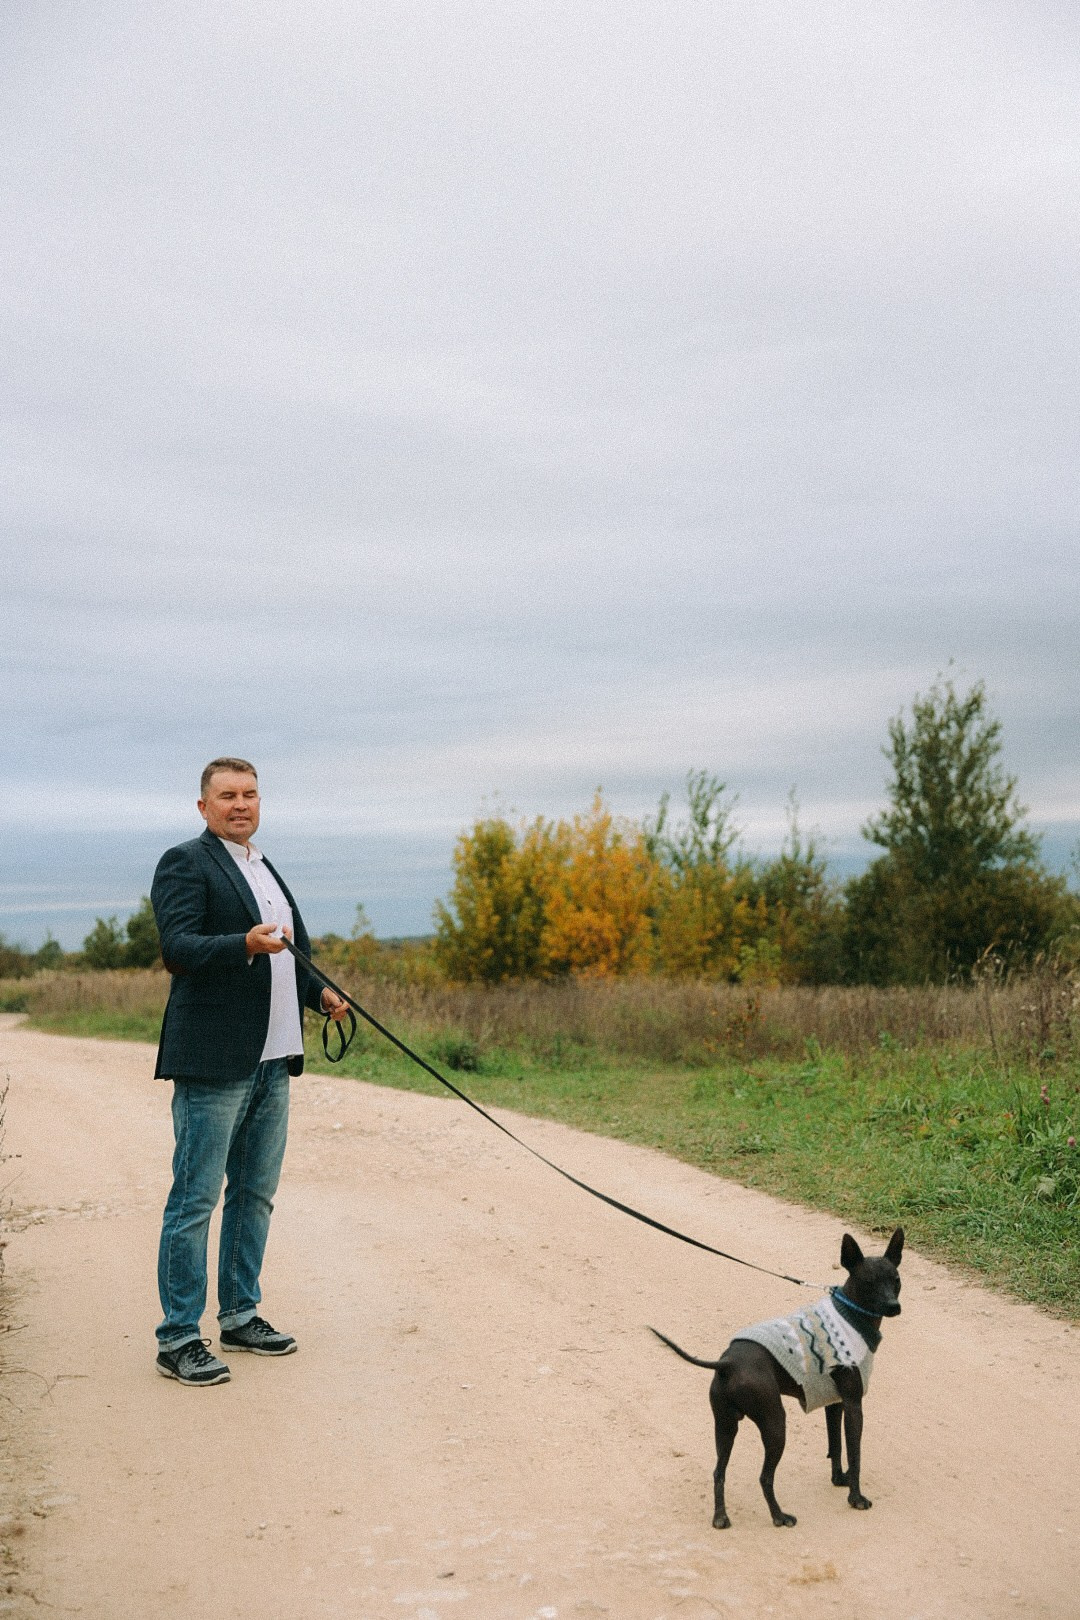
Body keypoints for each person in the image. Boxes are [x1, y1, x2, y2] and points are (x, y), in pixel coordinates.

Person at [150, 757, 349, 1387]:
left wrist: (320, 993)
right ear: (203, 807)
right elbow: (177, 949)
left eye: (251, 794)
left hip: (273, 1056)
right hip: (214, 1060)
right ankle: (179, 1336)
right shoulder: (186, 861)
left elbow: (296, 951)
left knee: (255, 1194)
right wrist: (242, 944)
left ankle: (239, 1314)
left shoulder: (263, 865)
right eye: (228, 796)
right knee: (195, 1199)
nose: (241, 804)